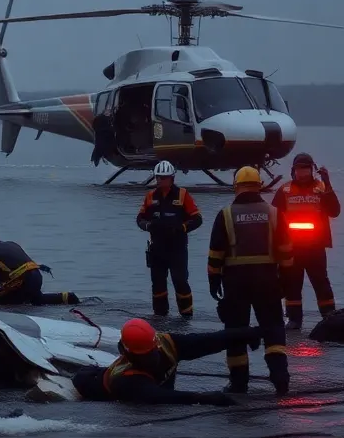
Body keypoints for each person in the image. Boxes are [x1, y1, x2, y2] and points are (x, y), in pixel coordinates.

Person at [206, 167, 292, 395]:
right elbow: (286, 251)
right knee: (273, 329)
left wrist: (214, 280)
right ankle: (280, 378)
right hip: (268, 279)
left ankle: (239, 383)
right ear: (259, 186)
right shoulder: (274, 213)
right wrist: (286, 280)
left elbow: (215, 253)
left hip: (235, 282)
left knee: (236, 331)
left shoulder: (226, 215)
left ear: (236, 187)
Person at [72, 318, 264, 405]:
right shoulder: (128, 380)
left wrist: (248, 333)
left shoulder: (167, 344)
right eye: (147, 354)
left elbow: (208, 341)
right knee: (82, 376)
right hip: (93, 382)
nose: (154, 356)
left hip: (105, 373)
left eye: (153, 350)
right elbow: (163, 397)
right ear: (130, 356)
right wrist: (206, 398)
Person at [273, 152, 340, 330]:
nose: (302, 173)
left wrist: (328, 183)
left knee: (321, 282)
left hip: (315, 247)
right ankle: (294, 319)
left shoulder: (322, 188)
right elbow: (274, 218)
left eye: (305, 169)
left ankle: (329, 317)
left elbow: (335, 211)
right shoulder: (284, 190)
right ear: (293, 171)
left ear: (312, 170)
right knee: (291, 283)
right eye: (298, 170)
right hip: (291, 247)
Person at [137, 160, 202, 317]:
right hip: (157, 248)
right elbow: (140, 218)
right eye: (158, 177)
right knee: (158, 283)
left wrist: (182, 228)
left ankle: (186, 316)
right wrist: (148, 226)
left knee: (180, 281)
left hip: (177, 249)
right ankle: (160, 316)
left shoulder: (183, 195)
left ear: (171, 178)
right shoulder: (150, 196)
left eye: (164, 177)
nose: (160, 180)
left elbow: (197, 219)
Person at [0, 227, 79, 305]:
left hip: (24, 282)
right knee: (37, 300)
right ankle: (68, 297)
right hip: (36, 277)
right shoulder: (9, 244)